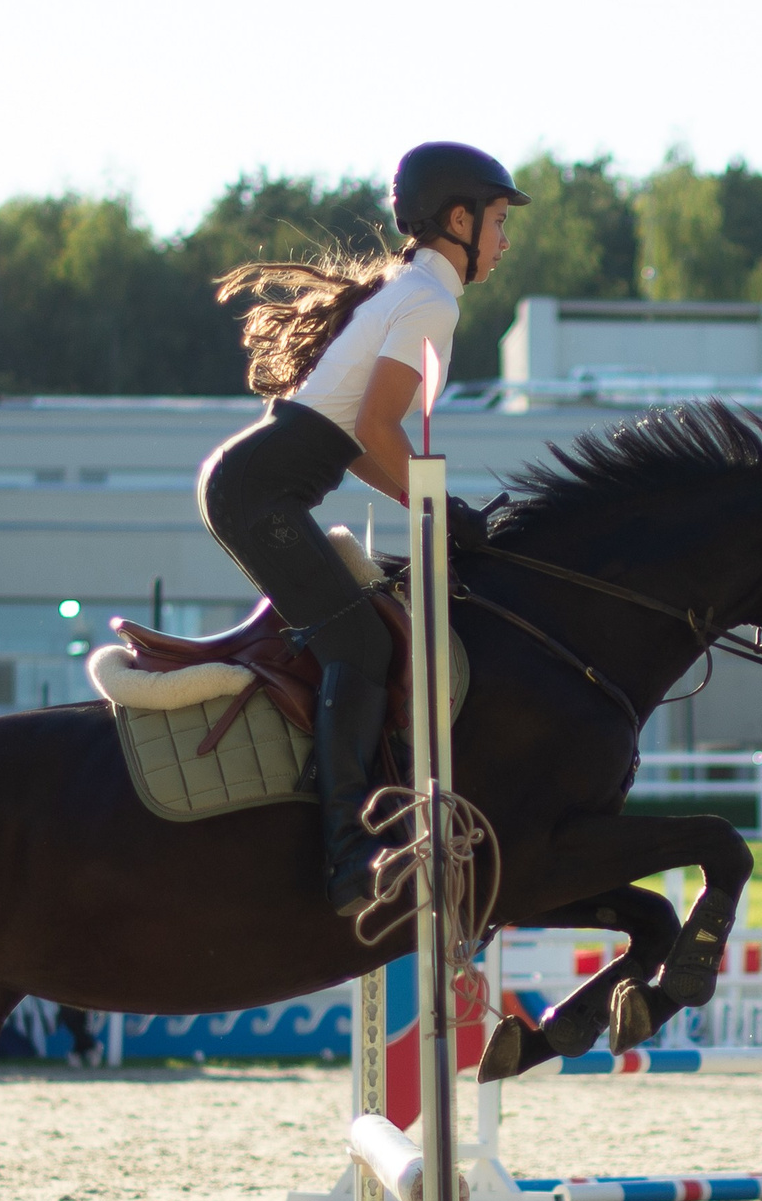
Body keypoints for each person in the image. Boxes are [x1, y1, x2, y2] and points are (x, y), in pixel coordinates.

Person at [198, 142, 523, 911]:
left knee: (365, 634)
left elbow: (359, 446)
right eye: (501, 221)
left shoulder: (412, 288)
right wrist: (439, 508)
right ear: (459, 218)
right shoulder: (430, 300)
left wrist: (437, 508)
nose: (505, 241)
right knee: (364, 645)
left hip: (256, 484)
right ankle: (347, 852)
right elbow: (379, 430)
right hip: (258, 494)